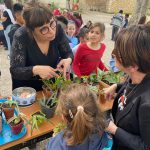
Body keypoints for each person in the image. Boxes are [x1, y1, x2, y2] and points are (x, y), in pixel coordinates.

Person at [104, 25, 150, 150]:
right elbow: (131, 86)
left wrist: (114, 129)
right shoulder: (138, 75)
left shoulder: (147, 105)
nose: (113, 55)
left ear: (133, 66)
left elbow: (146, 146)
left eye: (117, 53)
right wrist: (116, 86)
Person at [10, 2, 73, 91]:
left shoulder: (58, 28)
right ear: (31, 30)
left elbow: (68, 53)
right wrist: (35, 70)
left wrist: (68, 60)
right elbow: (15, 70)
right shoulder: (21, 36)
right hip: (27, 90)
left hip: (50, 86)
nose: (52, 32)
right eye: (44, 29)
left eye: (52, 24)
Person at [46, 83, 113, 150]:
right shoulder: (104, 133)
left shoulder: (56, 145)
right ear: (96, 109)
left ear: (63, 117)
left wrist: (55, 139)